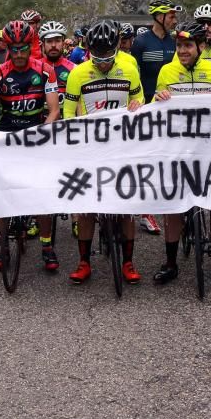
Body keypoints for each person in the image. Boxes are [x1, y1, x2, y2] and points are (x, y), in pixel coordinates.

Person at [152, 20, 211, 287]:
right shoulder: (166, 71)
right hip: (179, 149)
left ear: (201, 46)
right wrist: (155, 100)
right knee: (173, 206)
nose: (182, 50)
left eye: (188, 46)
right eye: (179, 45)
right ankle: (170, 262)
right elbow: (155, 109)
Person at [63, 20, 144, 285]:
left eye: (108, 58)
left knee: (126, 206)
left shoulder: (129, 69)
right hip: (91, 145)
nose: (103, 64)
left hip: (123, 143)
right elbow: (67, 112)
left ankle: (128, 262)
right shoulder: (78, 73)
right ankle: (84, 262)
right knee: (86, 208)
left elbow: (140, 99)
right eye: (97, 59)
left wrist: (137, 104)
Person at [0, 20, 61, 272]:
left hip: (35, 132)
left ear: (31, 46)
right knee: (1, 192)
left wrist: (45, 131)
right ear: (7, 47)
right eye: (13, 49)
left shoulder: (46, 70)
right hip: (7, 133)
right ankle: (3, 245)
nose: (18, 54)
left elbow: (54, 109)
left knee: (40, 193)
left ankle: (47, 246)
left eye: (23, 49)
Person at [131, 0, 181, 102]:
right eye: (171, 17)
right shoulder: (140, 41)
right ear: (159, 17)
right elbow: (134, 75)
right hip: (147, 102)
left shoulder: (175, 41)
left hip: (170, 99)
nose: (175, 21)